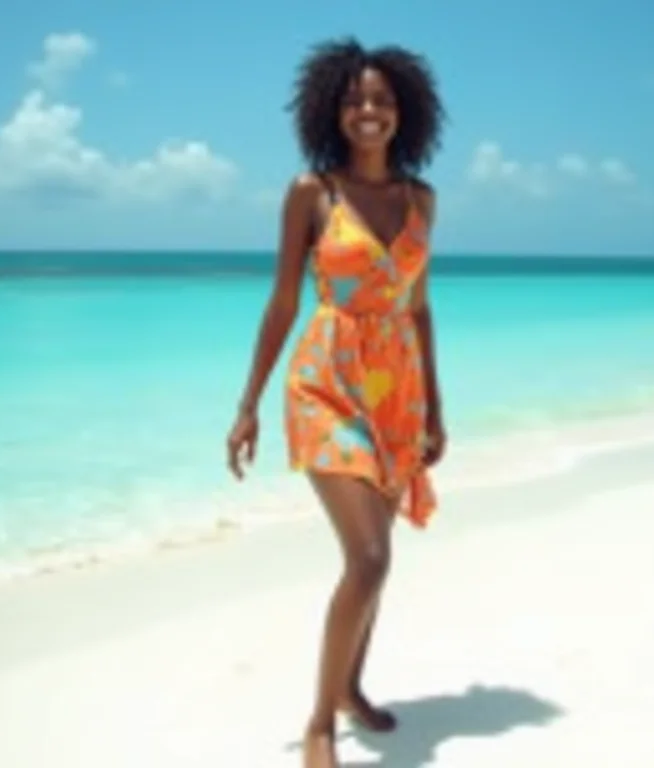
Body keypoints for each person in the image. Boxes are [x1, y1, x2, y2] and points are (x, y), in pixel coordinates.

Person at [226, 37, 447, 768]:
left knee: (371, 560)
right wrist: (249, 403)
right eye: (355, 99)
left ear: (403, 111)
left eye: (382, 99)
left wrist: (435, 410)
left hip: (395, 393)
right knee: (372, 558)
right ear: (334, 109)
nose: (369, 111)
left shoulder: (421, 200)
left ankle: (351, 686)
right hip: (324, 382)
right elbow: (285, 299)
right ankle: (320, 721)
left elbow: (417, 309)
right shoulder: (310, 193)